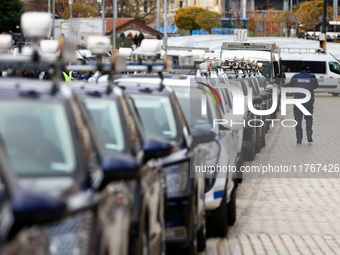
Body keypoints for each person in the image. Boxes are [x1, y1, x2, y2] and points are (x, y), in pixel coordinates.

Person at [289, 64, 319, 144]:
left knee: (298, 120)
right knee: (309, 118)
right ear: (308, 70)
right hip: (308, 102)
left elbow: (291, 85)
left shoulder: (295, 76)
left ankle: (299, 139)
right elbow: (316, 86)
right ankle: (309, 134)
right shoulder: (312, 77)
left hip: (298, 102)